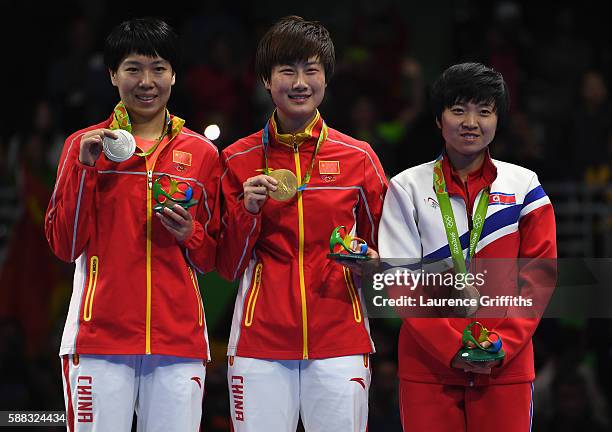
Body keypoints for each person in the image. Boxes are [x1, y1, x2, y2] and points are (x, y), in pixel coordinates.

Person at [44, 17, 220, 431]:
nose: (147, 81)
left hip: (178, 341)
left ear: (174, 75)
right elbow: (64, 246)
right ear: (112, 75)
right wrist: (85, 172)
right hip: (98, 338)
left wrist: (188, 233)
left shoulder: (201, 154)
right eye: (133, 69)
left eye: (158, 68)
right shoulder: (83, 145)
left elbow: (213, 256)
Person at [216, 15, 387, 431]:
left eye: (311, 70)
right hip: (259, 342)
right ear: (265, 79)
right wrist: (247, 212)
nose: (300, 82)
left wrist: (371, 263)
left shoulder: (358, 158)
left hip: (340, 340)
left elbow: (385, 251)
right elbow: (225, 264)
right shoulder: (237, 160)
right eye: (287, 71)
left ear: (327, 79)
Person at [378, 62, 557, 431]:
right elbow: (400, 281)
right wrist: (451, 348)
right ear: (438, 119)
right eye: (458, 110)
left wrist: (503, 343)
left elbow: (540, 275)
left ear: (497, 119)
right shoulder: (406, 187)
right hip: (429, 368)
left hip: (504, 365)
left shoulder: (524, 186)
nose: (470, 122)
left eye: (484, 111)